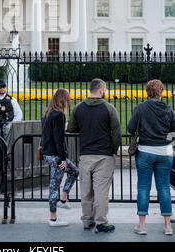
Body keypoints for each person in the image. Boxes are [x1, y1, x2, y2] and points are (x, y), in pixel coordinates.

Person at [67, 78, 121, 233]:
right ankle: (101, 222)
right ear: (102, 90)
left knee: (86, 191)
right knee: (101, 191)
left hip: (85, 154)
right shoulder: (109, 108)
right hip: (104, 155)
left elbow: (71, 128)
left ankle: (87, 220)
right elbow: (116, 133)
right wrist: (114, 150)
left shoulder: (78, 108)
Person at [127, 79, 175, 236]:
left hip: (146, 151)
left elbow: (130, 128)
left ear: (147, 92)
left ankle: (142, 225)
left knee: (143, 187)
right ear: (161, 92)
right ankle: (167, 225)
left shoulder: (141, 107)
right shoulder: (169, 109)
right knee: (164, 188)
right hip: (165, 152)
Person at [41, 88, 79, 227]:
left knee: (66, 176)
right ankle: (54, 218)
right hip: (56, 155)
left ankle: (63, 197)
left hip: (47, 153)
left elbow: (50, 133)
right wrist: (63, 159)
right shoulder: (59, 115)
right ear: (64, 100)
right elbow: (59, 139)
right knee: (55, 185)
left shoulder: (47, 113)